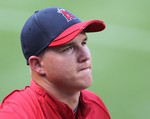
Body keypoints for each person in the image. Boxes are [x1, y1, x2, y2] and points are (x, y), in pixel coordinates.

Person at [0, 7, 111, 119]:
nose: (85, 56)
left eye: (83, 42)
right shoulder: (18, 112)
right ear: (38, 65)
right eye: (68, 48)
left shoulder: (95, 105)